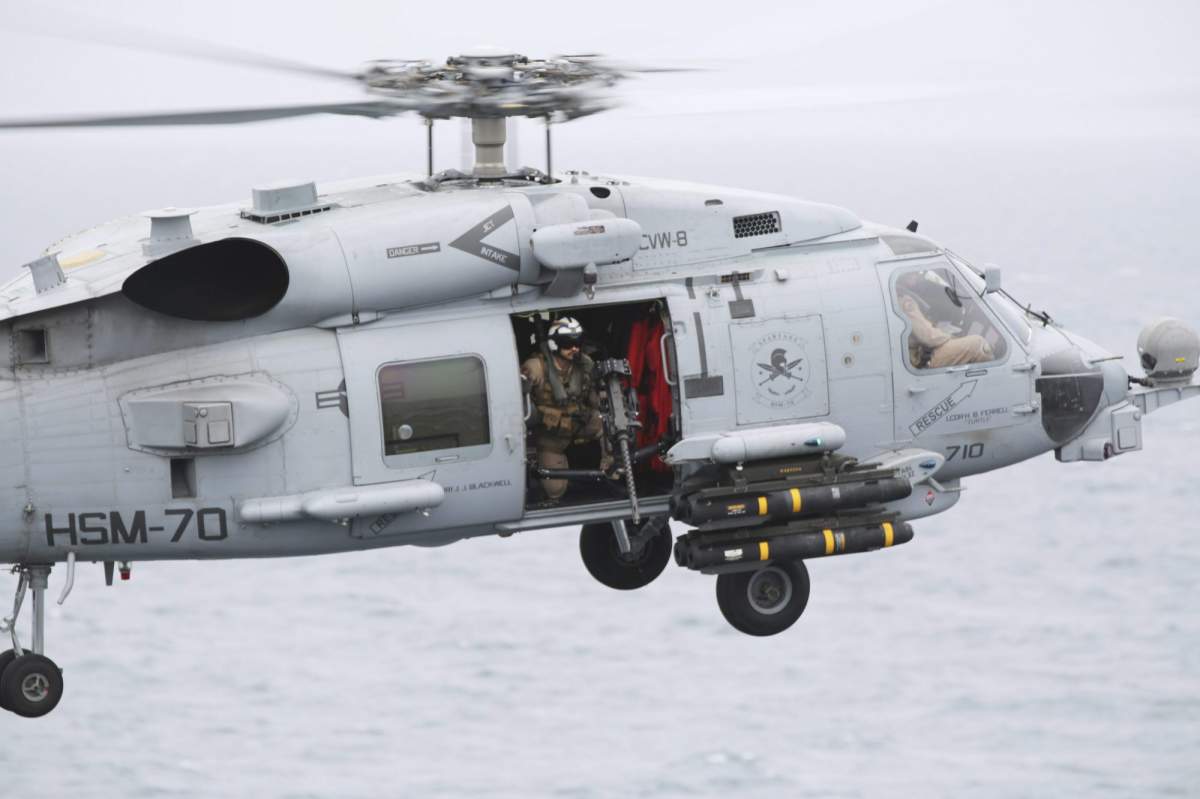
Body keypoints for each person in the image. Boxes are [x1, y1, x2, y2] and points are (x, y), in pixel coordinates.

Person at [521, 317, 605, 500]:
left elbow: (594, 399)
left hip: (579, 423)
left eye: (577, 343)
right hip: (550, 435)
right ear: (554, 344)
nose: (574, 348)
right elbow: (519, 405)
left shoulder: (585, 365)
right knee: (555, 490)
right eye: (567, 344)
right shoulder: (536, 368)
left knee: (609, 425)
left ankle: (611, 470)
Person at [896, 271, 993, 368]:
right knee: (978, 345)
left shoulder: (895, 295)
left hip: (909, 354)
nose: (916, 275)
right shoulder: (904, 302)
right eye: (911, 273)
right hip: (918, 359)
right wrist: (951, 336)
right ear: (901, 276)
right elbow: (929, 337)